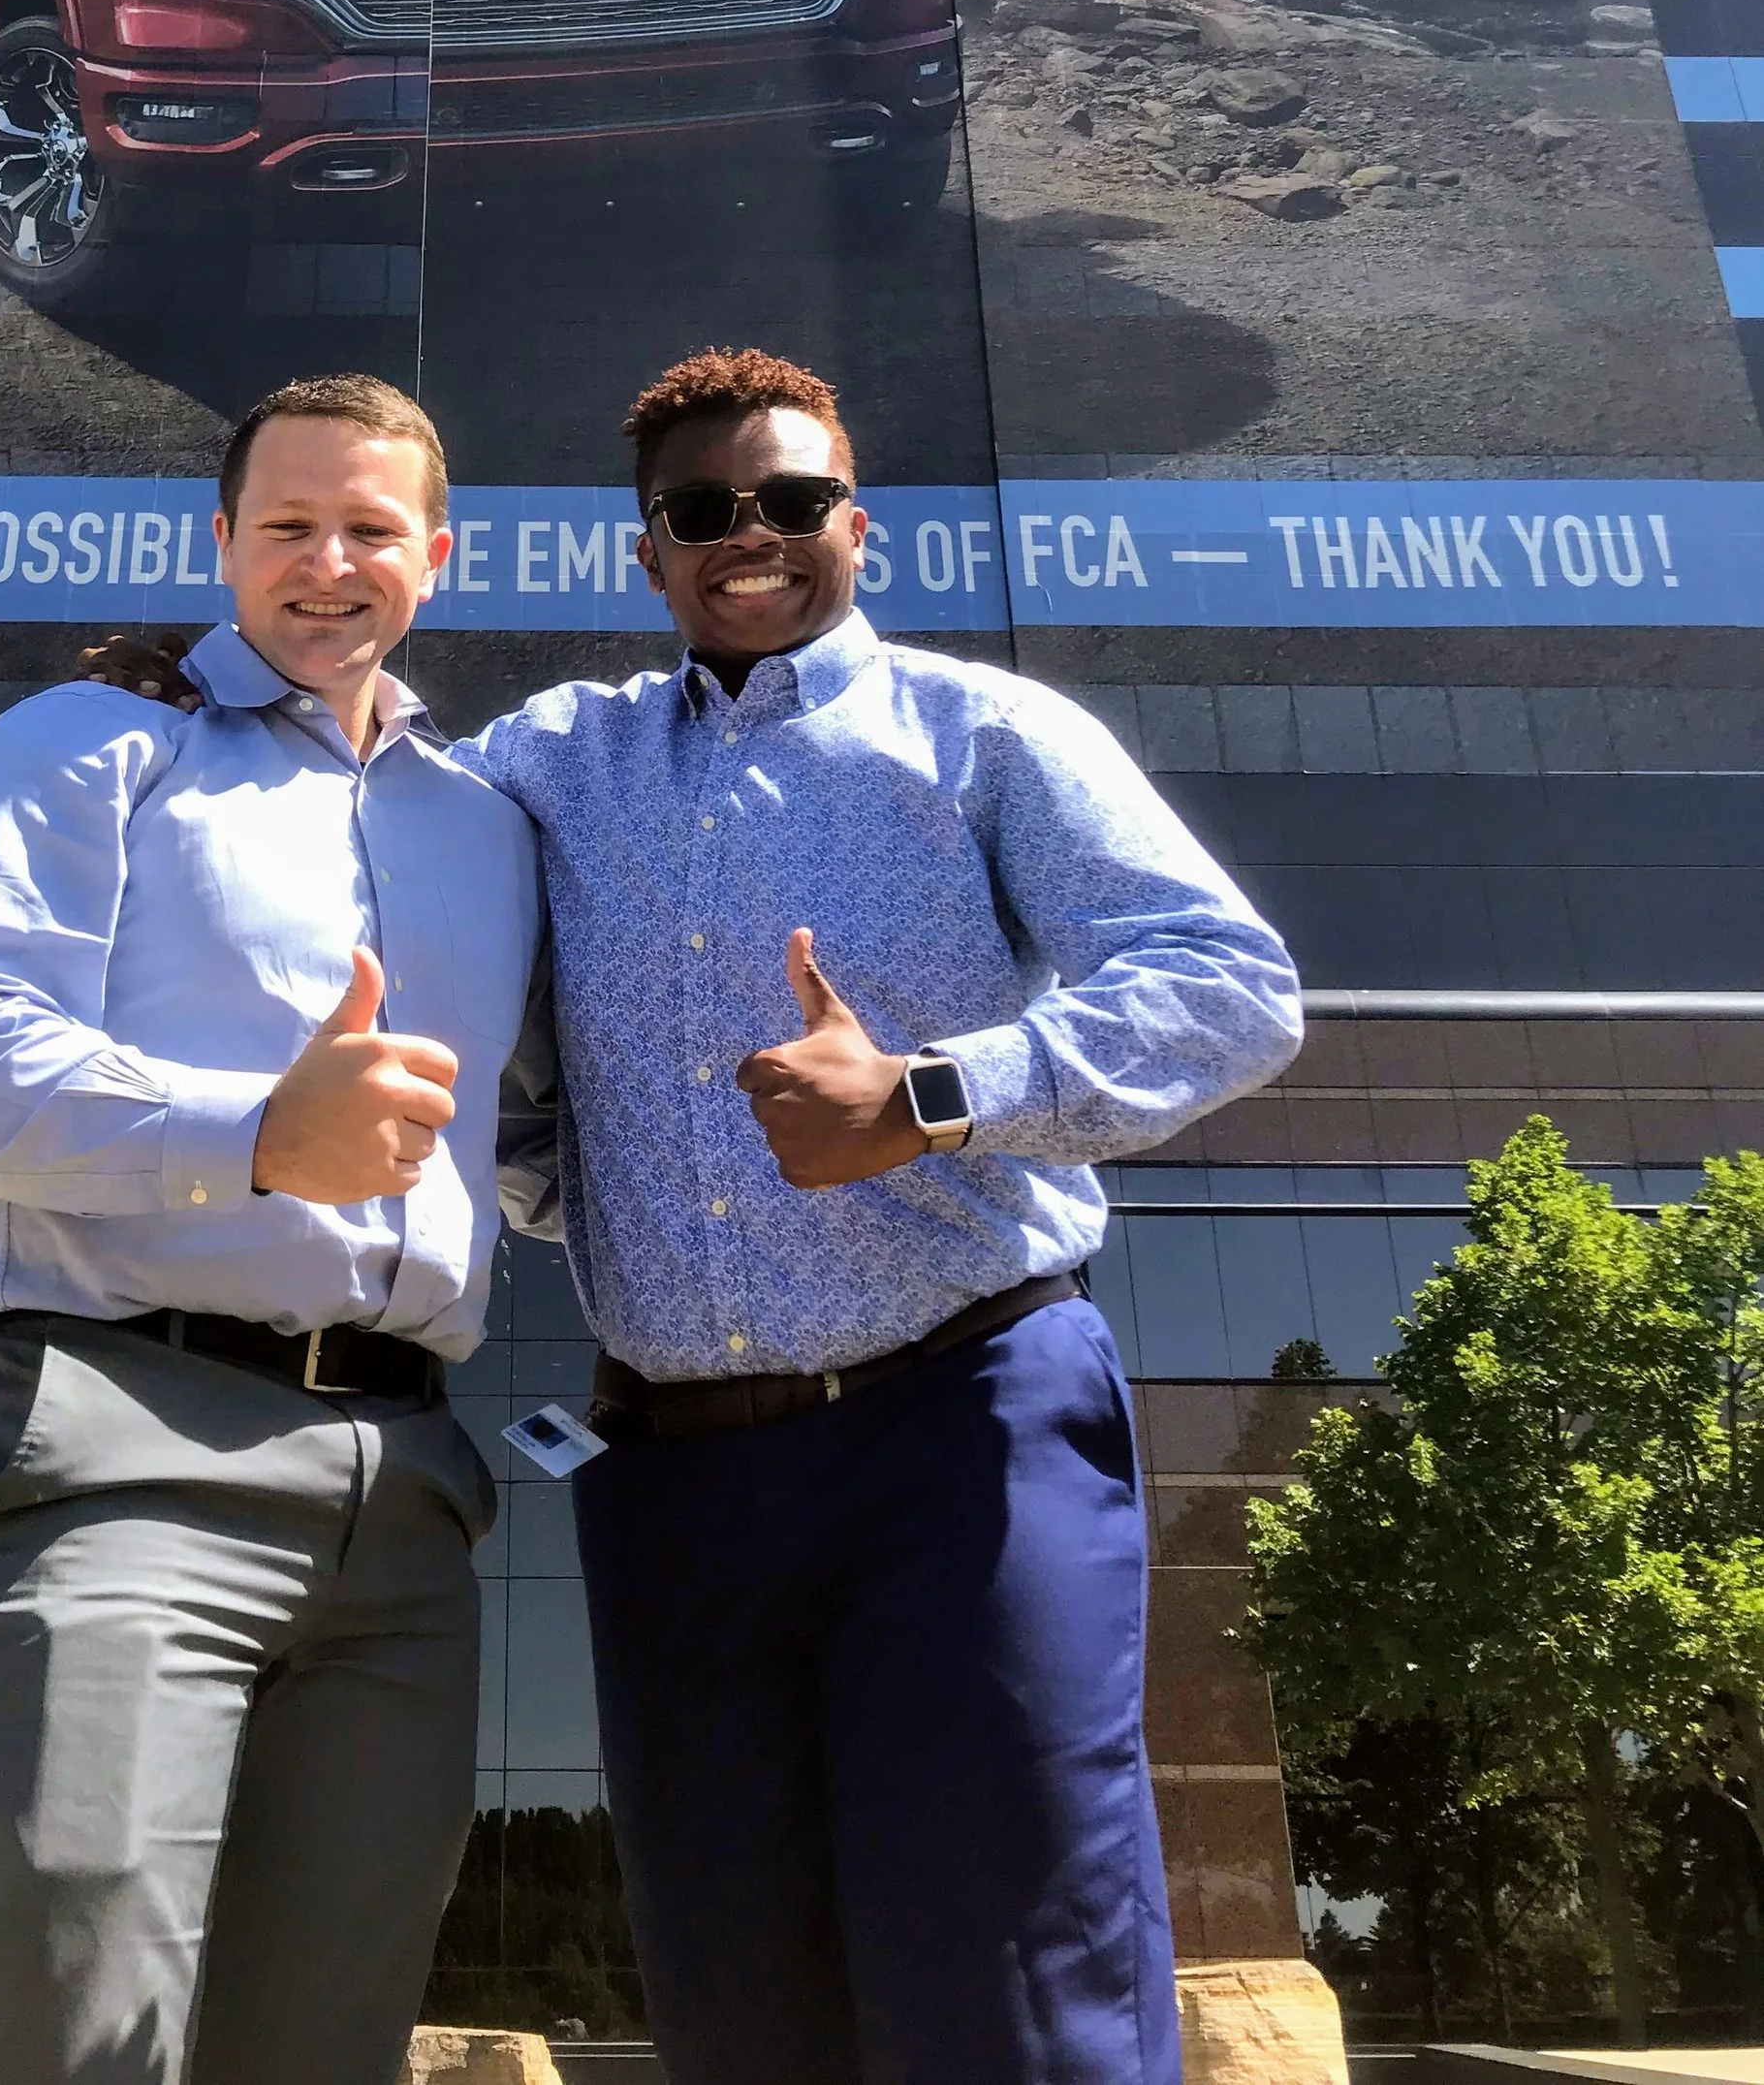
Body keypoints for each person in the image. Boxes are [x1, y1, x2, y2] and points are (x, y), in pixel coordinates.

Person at [473, 345, 1305, 2085]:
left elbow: (1229, 988)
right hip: (673, 1478)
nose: (749, 532)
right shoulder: (553, 760)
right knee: (737, 2015)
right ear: (648, 549)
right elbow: (351, 801)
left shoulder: (987, 734)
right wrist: (181, 691)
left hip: (961, 1429)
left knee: (1013, 1999)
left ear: (860, 524)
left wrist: (930, 1096)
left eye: (791, 498)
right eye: (703, 509)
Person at [0, 373, 539, 2085]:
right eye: (288, 525)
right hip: (116, 1449)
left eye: (370, 528)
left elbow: (521, 1141)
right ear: (223, 543)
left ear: (437, 556)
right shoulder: (84, 745)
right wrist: (254, 1136)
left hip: (405, 1497)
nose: (329, 562)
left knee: (320, 2048)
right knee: (68, 2035)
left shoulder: (489, 827)